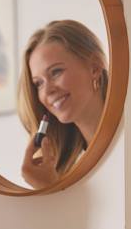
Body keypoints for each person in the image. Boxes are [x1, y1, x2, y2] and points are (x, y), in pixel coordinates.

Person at [17, 19, 108, 189]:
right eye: (39, 83)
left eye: (56, 72)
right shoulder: (70, 170)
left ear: (94, 67)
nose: (47, 91)